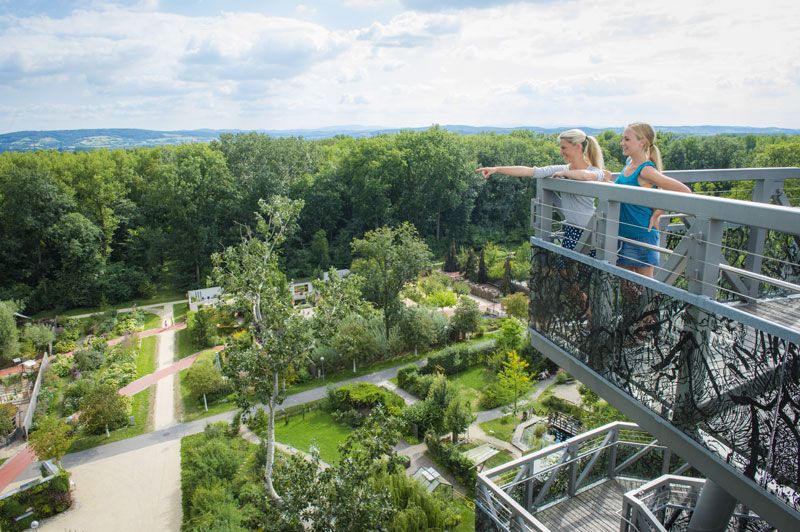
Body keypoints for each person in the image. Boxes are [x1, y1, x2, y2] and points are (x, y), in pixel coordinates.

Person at [477, 128, 610, 255]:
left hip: (591, 232)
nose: (560, 152)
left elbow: (586, 176)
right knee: (566, 273)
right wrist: (497, 169)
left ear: (578, 147)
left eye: (564, 148)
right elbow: (529, 171)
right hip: (571, 229)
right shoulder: (562, 168)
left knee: (586, 274)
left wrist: (565, 173)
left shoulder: (595, 171)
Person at [615, 122, 691, 277]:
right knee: (627, 291)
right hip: (622, 234)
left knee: (641, 293)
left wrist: (659, 211)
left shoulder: (646, 170)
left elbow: (684, 191)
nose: (622, 143)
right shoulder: (629, 164)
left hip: (642, 236)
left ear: (642, 142)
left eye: (627, 139)